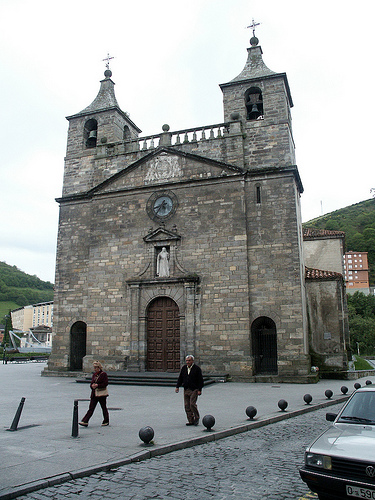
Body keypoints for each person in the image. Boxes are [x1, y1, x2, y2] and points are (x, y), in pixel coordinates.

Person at [175, 355, 204, 426]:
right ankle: (190, 420)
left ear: (192, 361)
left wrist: (199, 389)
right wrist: (177, 386)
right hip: (186, 388)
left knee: (192, 404)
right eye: (187, 361)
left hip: (194, 389)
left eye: (189, 361)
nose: (187, 362)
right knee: (186, 405)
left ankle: (196, 418)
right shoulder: (184, 368)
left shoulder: (197, 369)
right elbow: (180, 378)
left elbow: (200, 380)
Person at [79, 361, 109, 427]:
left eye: (96, 368)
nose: (94, 369)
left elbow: (105, 383)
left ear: (99, 367)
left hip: (101, 394)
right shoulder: (94, 375)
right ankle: (85, 421)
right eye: (94, 368)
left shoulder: (103, 374)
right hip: (94, 394)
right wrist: (92, 386)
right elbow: (91, 383)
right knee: (91, 408)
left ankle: (106, 420)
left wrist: (98, 385)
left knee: (103, 407)